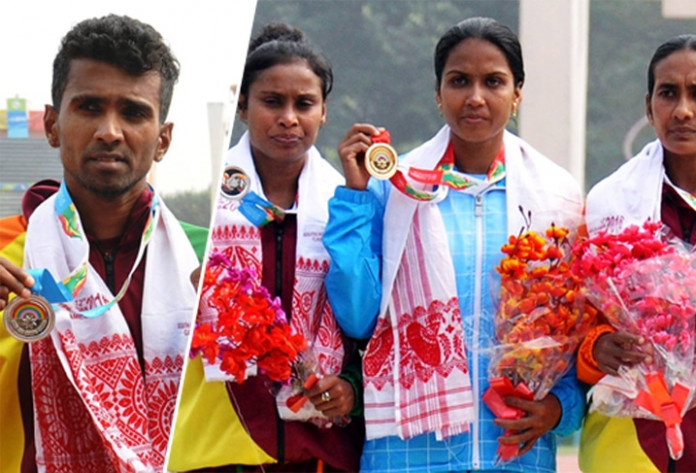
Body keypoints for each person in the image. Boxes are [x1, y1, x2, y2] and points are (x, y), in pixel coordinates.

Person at [322, 17, 585, 472]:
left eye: (494, 81)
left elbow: (577, 331)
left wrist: (560, 409)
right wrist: (355, 198)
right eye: (459, 81)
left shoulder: (557, 200)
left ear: (517, 93)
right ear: (438, 93)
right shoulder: (396, 187)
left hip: (515, 453)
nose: (476, 97)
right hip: (405, 453)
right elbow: (358, 316)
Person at [0, 15, 208, 472]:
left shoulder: (209, 262)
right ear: (53, 125)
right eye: (89, 107)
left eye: (133, 112)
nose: (110, 131)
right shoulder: (6, 252)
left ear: (163, 139)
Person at [168, 23, 364, 473]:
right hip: (216, 444)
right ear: (242, 106)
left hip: (319, 446)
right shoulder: (199, 212)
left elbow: (370, 325)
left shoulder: (348, 205)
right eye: (272, 102)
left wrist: (350, 387)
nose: (289, 118)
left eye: (304, 104)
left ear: (324, 112)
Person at [577, 34, 696, 473]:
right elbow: (578, 323)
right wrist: (598, 347)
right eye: (669, 93)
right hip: (629, 436)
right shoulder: (610, 203)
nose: (682, 110)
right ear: (649, 107)